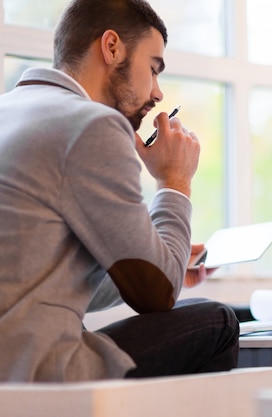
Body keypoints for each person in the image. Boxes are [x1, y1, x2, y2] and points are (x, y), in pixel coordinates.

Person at [0, 0, 239, 382]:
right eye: (153, 68)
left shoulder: (11, 110)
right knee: (217, 321)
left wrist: (173, 266)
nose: (158, 93)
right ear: (111, 47)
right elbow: (155, 294)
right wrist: (174, 181)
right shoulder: (92, 124)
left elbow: (40, 282)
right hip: (36, 372)